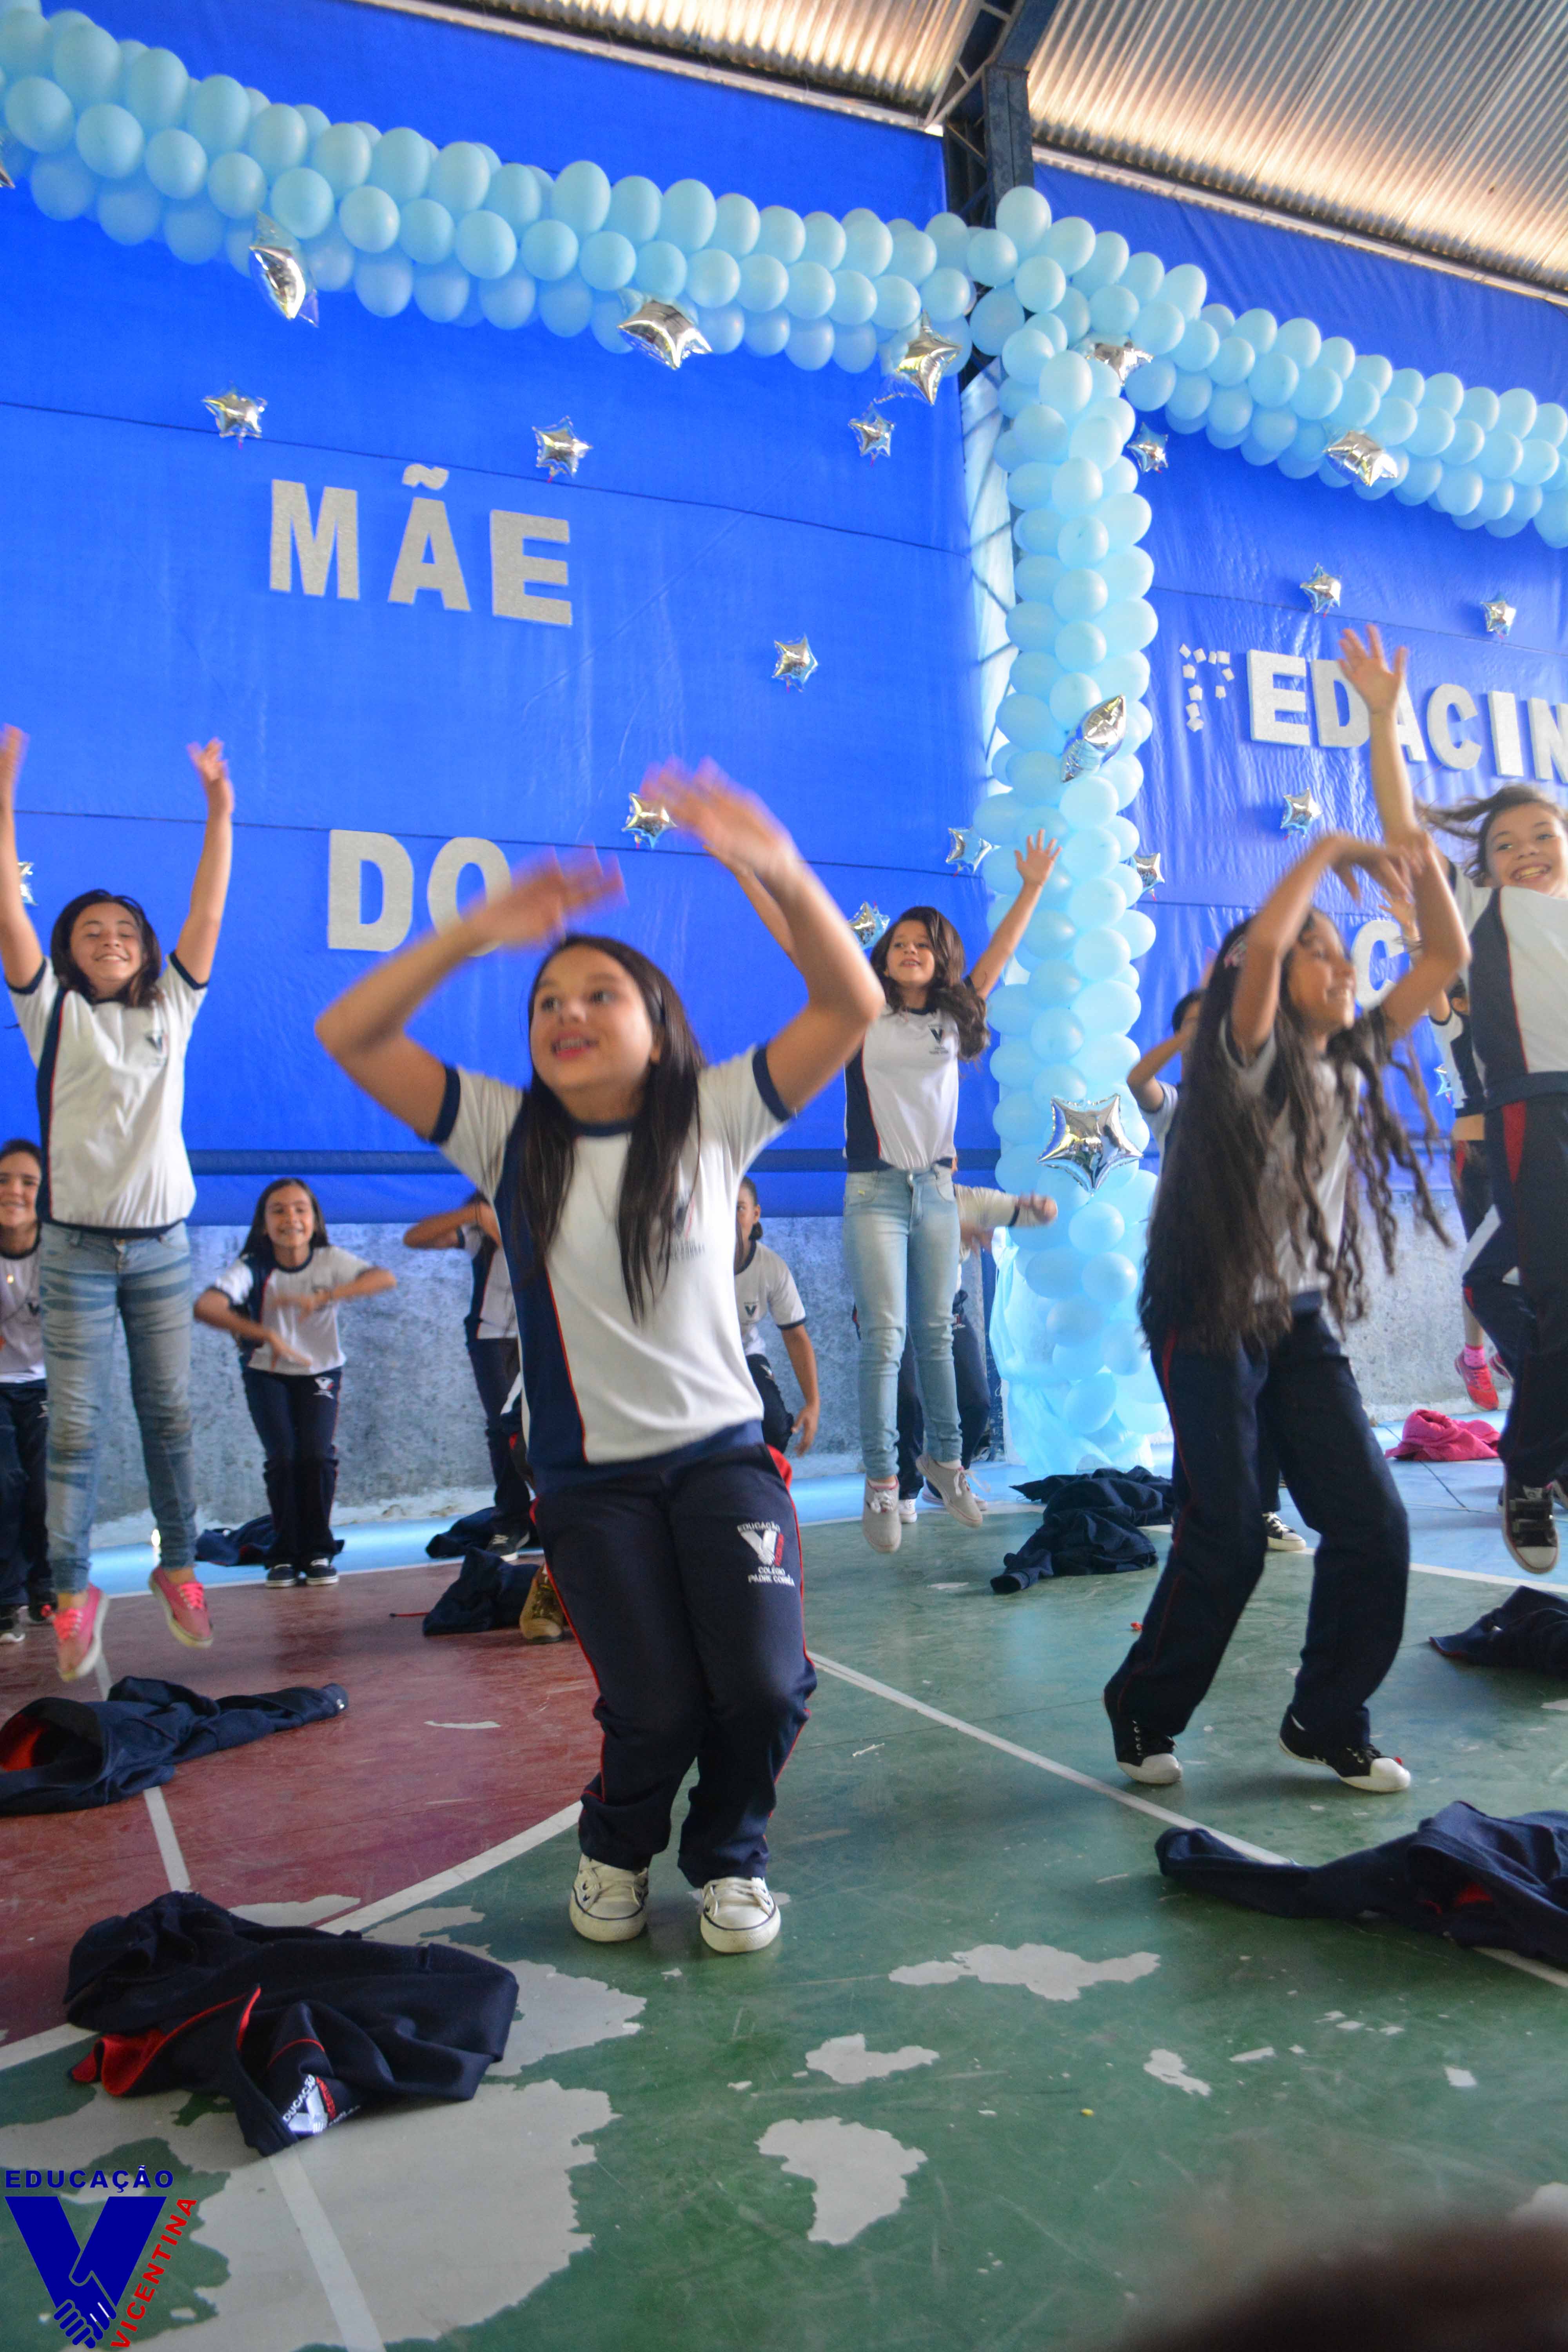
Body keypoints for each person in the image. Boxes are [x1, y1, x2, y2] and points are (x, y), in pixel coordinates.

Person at [314, 760, 883, 1958]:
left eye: (599, 994)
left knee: (764, 1686)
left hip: (725, 1464)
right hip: (590, 1485)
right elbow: (349, 1032)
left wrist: (779, 866)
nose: (566, 1013)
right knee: (656, 1704)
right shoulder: (505, 1132)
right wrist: (473, 933)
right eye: (546, 1001)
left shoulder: (715, 1116)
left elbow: (850, 1002)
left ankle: (730, 1857)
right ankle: (616, 1846)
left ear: (658, 1024)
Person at [1103, 825, 1467, 1795]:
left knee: (1372, 1524)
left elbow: (1444, 956)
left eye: (1341, 951)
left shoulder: (1350, 1056)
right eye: (1316, 950)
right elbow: (1264, 943)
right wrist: (1332, 846)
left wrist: (1418, 873)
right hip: (1206, 1315)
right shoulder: (1243, 1054)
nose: (1339, 965)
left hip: (1298, 1322)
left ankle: (1325, 1716)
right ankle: (1141, 1705)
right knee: (1227, 1536)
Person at [730, 833, 1060, 1553]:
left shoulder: (954, 1017)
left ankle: (948, 1464)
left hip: (937, 1191)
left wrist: (1032, 885)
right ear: (881, 958)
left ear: (941, 959)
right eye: (899, 944)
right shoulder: (859, 1011)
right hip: (874, 1192)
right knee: (886, 1338)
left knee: (937, 1334)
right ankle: (883, 1480)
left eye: (922, 945)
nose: (909, 951)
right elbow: (796, 942)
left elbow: (1000, 954)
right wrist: (748, 873)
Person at [0, 722, 234, 1682]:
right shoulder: (51, 1013)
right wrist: (4, 790)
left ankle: (178, 1567)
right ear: (68, 949)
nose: (111, 940)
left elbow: (207, 910)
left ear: (145, 953)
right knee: (76, 1425)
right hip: (75, 1252)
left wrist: (219, 809)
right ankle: (69, 1592)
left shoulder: (173, 1006)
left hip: (163, 1248)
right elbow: (5, 906)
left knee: (170, 1413)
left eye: (125, 932)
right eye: (92, 931)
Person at [1341, 624, 1568, 1573]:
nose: (1525, 851)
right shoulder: (1477, 916)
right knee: (1543, 1300)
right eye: (1503, 844)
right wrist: (1382, 719)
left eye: (1542, 834)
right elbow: (1405, 836)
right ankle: (1528, 1475)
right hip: (1531, 1121)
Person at [1131, 987, 1308, 1559]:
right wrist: (1191, 1036)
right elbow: (1138, 1080)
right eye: (1193, 1025)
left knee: (1262, 1391)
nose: (1207, 1032)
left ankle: (1262, 1509)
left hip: (1258, 1269)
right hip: (1190, 1275)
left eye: (1217, 1023)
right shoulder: (1174, 1105)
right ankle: (1197, 1512)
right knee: (1204, 1398)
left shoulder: (1260, 1102)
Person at [195, 1180, 396, 1587]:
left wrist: (324, 1297)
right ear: (264, 1223)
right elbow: (207, 1305)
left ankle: (318, 1550)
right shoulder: (252, 1266)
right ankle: (283, 1553)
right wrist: (263, 1334)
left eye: (300, 1209)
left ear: (315, 1219)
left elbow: (383, 1278)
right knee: (284, 1458)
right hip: (267, 1373)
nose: (291, 1218)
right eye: (279, 1210)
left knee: (315, 1456)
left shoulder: (329, 1260)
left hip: (320, 1373)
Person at [890, 1183, 1054, 1522]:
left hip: (945, 1308)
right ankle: (904, 1488)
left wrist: (1042, 1209)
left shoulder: (968, 1199)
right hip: (893, 1309)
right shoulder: (887, 1198)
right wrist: (951, 1230)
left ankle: (946, 1482)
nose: (944, 1166)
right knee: (908, 1401)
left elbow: (1021, 1212)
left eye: (949, 1161)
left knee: (977, 1401)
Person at [402, 1191, 535, 1538]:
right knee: (504, 1426)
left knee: (546, 1424)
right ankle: (511, 1522)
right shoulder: (482, 1227)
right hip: (493, 1337)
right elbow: (414, 1238)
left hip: (544, 1336)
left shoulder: (558, 1217)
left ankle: (553, 1511)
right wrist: (475, 1212)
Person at [0, 1139, 50, 1639]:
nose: (14, 1191)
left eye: (28, 1182)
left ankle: (45, 1586)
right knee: (5, 1481)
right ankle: (4, 1597)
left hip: (44, 1386)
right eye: (3, 1180)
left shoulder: (59, 1254)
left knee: (42, 1488)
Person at [733, 1178, 820, 1458]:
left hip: (745, 1356)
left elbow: (795, 1336)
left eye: (739, 1208)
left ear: (755, 1214)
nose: (730, 1219)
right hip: (700, 1360)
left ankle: (757, 1482)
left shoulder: (772, 1267)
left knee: (775, 1429)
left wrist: (813, 1404)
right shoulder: (692, 1263)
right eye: (722, 1208)